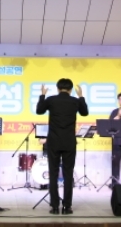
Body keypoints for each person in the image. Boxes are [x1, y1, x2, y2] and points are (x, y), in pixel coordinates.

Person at [36, 78, 89, 215]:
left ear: (58, 88)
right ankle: (67, 206)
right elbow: (85, 113)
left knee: (53, 174)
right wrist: (81, 96)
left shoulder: (51, 100)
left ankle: (54, 206)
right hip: (69, 142)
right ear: (70, 90)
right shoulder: (75, 101)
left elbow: (39, 111)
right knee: (68, 173)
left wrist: (42, 95)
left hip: (53, 142)